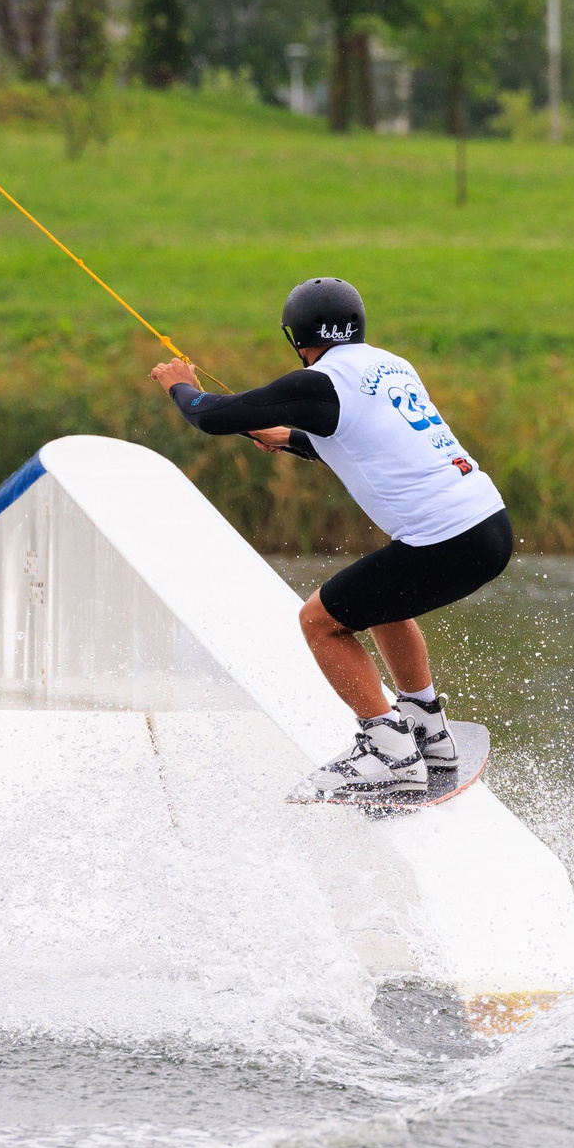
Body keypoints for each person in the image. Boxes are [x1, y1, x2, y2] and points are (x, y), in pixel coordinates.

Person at [149, 277, 512, 801]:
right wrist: (293, 438)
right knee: (380, 604)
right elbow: (368, 441)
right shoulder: (390, 366)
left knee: (320, 622)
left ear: (296, 339)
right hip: (489, 525)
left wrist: (179, 383)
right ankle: (428, 730)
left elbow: (210, 416)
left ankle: (388, 750)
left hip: (447, 540)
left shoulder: (319, 383)